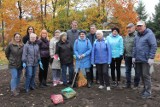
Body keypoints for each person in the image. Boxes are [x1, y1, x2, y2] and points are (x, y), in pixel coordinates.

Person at [132, 21, 157, 98]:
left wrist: (151, 57)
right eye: (138, 26)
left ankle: (148, 92)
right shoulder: (137, 36)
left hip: (146, 59)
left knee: (146, 75)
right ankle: (145, 88)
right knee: (142, 75)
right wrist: (133, 56)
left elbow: (153, 46)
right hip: (138, 59)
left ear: (144, 26)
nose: (139, 27)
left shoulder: (150, 35)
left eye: (140, 26)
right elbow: (134, 47)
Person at [124, 23, 140, 88]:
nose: (129, 29)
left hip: (135, 57)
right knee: (127, 71)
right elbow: (125, 46)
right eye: (128, 28)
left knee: (137, 71)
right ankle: (128, 84)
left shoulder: (137, 35)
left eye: (130, 27)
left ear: (134, 28)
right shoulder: (127, 36)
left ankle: (136, 84)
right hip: (127, 56)